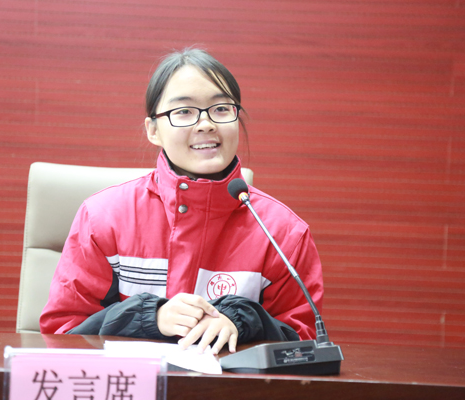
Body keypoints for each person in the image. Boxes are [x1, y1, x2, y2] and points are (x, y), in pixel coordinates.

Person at [40, 48, 324, 355]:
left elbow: (304, 345)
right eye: (184, 111)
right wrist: (149, 318)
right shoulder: (102, 218)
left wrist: (245, 322)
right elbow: (62, 334)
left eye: (221, 108)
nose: (205, 124)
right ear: (153, 130)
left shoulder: (283, 233)